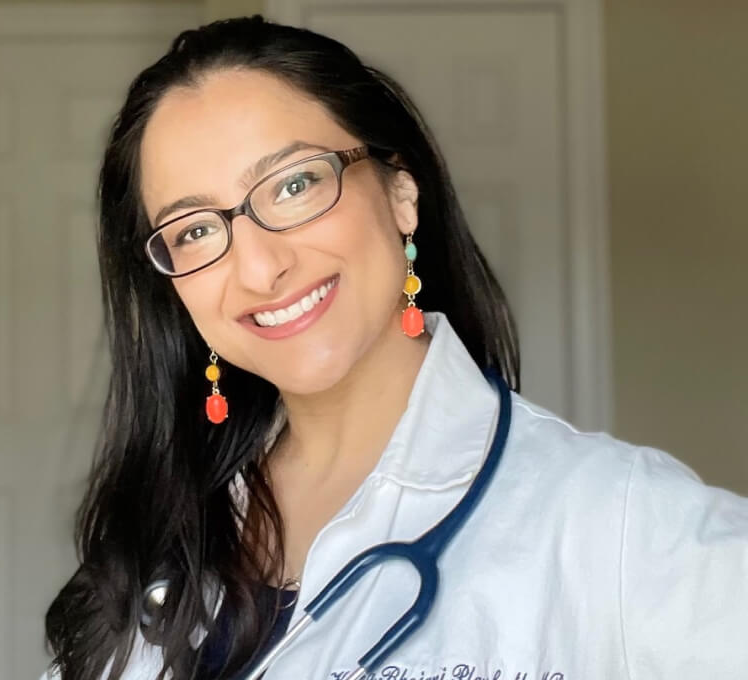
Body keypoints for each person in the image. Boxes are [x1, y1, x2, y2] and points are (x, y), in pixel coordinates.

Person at [43, 15, 748, 680]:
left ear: (401, 191)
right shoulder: (158, 538)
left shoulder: (616, 522)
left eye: (294, 184)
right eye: (195, 229)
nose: (259, 269)